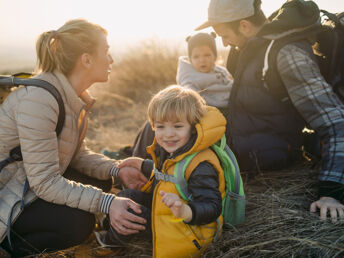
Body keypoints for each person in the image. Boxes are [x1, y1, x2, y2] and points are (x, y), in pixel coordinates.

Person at [0, 19, 148, 256]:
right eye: (106, 52)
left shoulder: (70, 95)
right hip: (9, 196)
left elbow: (76, 155)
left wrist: (116, 169)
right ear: (86, 59)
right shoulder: (40, 100)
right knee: (77, 224)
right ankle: (9, 246)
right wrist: (107, 203)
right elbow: (45, 182)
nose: (111, 60)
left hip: (27, 185)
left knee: (100, 181)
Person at [195, 0, 344, 222]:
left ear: (244, 26)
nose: (224, 43)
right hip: (245, 144)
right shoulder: (251, 49)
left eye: (224, 34)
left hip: (267, 156)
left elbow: (336, 123)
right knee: (165, 124)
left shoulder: (286, 54)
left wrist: (331, 193)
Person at [96, 85, 227, 257]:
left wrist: (185, 211)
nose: (168, 134)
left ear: (193, 127)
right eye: (160, 127)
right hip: (171, 213)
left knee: (130, 210)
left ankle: (110, 245)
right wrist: (143, 165)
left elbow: (212, 206)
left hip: (189, 229)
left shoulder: (201, 165)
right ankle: (108, 226)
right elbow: (170, 173)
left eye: (178, 126)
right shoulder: (176, 150)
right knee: (127, 196)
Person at [122, 32, 233, 160]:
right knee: (151, 125)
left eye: (207, 55)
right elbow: (190, 98)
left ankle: (132, 152)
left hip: (220, 113)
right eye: (196, 57)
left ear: (215, 55)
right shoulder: (189, 77)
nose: (202, 60)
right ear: (190, 58)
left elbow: (229, 87)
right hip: (195, 112)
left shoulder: (221, 72)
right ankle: (136, 158)